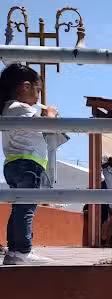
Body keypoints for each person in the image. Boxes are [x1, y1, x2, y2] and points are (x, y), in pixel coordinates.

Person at [1, 64, 56, 264]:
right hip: (28, 165)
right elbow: (48, 126)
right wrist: (51, 114)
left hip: (14, 164)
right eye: (37, 90)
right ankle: (23, 251)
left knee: (19, 207)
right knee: (26, 208)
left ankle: (14, 251)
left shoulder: (8, 109)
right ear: (25, 87)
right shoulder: (20, 108)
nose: (38, 97)